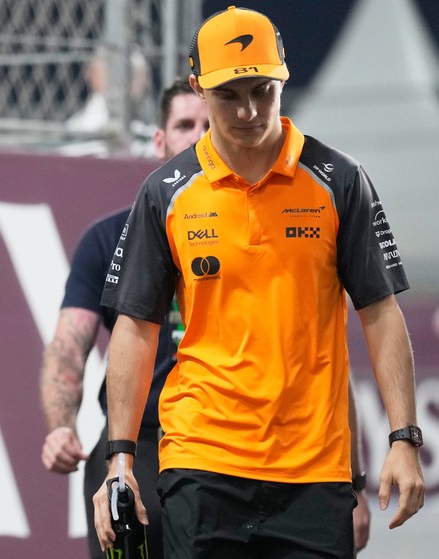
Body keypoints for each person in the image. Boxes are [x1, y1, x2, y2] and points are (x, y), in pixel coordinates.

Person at [92, 6, 424, 559]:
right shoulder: (166, 192)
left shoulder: (339, 181)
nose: (249, 111)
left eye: (263, 91)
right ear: (199, 88)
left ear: (284, 77)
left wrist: (403, 439)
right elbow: (135, 327)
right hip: (201, 463)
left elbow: (381, 314)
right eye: (229, 95)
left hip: (315, 471)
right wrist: (120, 459)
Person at [42, 77, 208, 559]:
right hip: (140, 438)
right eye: (184, 125)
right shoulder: (109, 236)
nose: (197, 137)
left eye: (208, 125)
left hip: (225, 438)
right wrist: (59, 424)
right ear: (159, 141)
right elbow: (68, 345)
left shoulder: (254, 232)